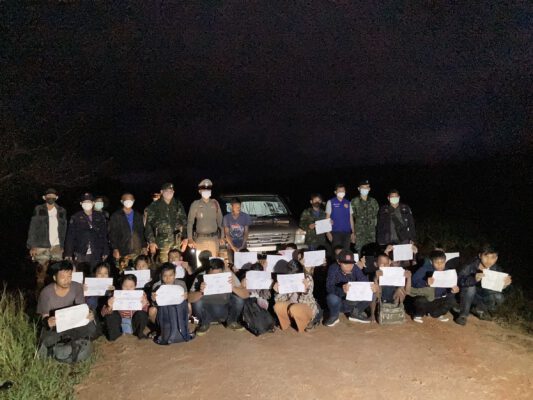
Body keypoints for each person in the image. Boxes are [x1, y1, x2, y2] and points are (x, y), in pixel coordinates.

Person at [37, 261, 97, 358]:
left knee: (91, 327)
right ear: (55, 277)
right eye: (63, 277)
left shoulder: (77, 287)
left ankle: (69, 342)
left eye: (69, 276)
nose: (67, 280)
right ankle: (64, 344)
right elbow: (44, 318)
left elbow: (81, 308)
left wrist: (88, 314)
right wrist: (48, 322)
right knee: (46, 339)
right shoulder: (46, 293)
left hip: (73, 322)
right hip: (56, 325)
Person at [188, 258, 248, 336]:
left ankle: (232, 321)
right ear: (207, 272)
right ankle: (204, 324)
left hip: (225, 312)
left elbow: (245, 295)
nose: (215, 278)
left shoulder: (229, 276)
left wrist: (233, 287)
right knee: (197, 302)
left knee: (239, 299)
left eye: (219, 275)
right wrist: (201, 292)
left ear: (223, 271)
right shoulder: (200, 276)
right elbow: (189, 298)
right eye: (212, 275)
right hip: (207, 313)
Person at [455, 245, 511, 326]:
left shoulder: (496, 269)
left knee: (499, 297)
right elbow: (458, 280)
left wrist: (505, 285)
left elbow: (498, 290)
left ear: (496, 258)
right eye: (486, 256)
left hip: (480, 296)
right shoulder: (470, 264)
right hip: (465, 295)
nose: (489, 260)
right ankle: (463, 315)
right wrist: (473, 279)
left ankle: (478, 309)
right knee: (470, 288)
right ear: (480, 255)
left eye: (493, 257)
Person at [27, 188, 67, 291]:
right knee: (41, 274)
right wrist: (32, 246)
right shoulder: (38, 209)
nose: (51, 198)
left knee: (57, 272)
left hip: (57, 246)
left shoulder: (62, 210)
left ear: (56, 197)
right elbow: (33, 227)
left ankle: (56, 295)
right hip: (41, 246)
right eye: (48, 196)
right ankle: (40, 296)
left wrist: (63, 246)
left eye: (53, 196)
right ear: (44, 197)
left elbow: (64, 229)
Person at [324, 250, 377, 326]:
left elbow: (364, 281)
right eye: (345, 264)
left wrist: (372, 287)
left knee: (372, 293)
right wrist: (342, 290)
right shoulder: (333, 268)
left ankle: (356, 313)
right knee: (331, 297)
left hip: (352, 303)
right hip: (340, 303)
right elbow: (329, 287)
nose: (349, 267)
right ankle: (334, 316)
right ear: (339, 262)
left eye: (351, 264)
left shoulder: (355, 268)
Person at [273, 256, 321, 333]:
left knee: (295, 308)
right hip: (291, 305)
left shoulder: (307, 278)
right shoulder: (285, 279)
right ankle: (287, 323)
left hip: (306, 306)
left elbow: (307, 301)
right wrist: (278, 292)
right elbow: (281, 300)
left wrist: (305, 291)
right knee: (278, 306)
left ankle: (306, 323)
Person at [410, 250, 459, 323]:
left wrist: (453, 291)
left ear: (445, 261)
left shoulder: (448, 272)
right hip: (426, 298)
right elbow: (413, 282)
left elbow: (450, 289)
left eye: (442, 262)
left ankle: (436, 314)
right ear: (431, 262)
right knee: (420, 300)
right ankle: (418, 314)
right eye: (436, 262)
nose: (440, 265)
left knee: (452, 301)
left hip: (439, 299)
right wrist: (425, 282)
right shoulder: (424, 269)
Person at [149, 263, 193, 345]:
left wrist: (186, 297)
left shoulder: (181, 284)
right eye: (165, 276)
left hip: (178, 311)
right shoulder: (157, 286)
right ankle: (159, 329)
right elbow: (155, 305)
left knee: (188, 305)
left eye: (170, 275)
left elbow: (184, 302)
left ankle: (184, 326)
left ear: (175, 275)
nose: (168, 278)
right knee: (152, 310)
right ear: (161, 276)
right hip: (163, 313)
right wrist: (154, 300)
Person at [64, 193, 109, 270]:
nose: (87, 204)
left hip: (96, 251)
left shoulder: (100, 217)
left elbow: (104, 235)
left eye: (89, 202)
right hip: (80, 251)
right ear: (81, 203)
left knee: (95, 272)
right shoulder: (75, 217)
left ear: (93, 203)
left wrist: (105, 251)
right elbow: (70, 236)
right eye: (85, 202)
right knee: (81, 273)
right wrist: (68, 253)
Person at [145, 183, 187, 263]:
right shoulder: (154, 206)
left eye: (171, 191)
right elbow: (149, 225)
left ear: (173, 192)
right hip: (161, 242)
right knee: (163, 265)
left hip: (177, 241)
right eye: (167, 191)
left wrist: (185, 238)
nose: (169, 193)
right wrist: (151, 242)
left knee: (176, 264)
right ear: (161, 192)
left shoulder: (178, 204)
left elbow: (184, 221)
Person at [101, 274, 150, 340]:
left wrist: (143, 305)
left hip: (133, 322)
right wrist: (109, 307)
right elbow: (103, 314)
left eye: (131, 286)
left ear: (135, 286)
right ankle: (115, 337)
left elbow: (146, 313)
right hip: (119, 322)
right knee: (111, 316)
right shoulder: (115, 294)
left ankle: (139, 333)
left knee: (142, 314)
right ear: (121, 285)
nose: (128, 289)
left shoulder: (141, 294)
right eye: (125, 286)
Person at [187, 179, 224, 259]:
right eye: (204, 189)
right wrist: (190, 238)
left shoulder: (215, 203)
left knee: (214, 263)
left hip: (214, 239)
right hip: (200, 240)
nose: (206, 191)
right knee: (201, 263)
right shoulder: (195, 204)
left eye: (208, 189)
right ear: (200, 191)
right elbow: (190, 222)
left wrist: (222, 236)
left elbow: (220, 221)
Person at [109, 193, 147, 260]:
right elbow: (112, 233)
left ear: (133, 201)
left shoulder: (138, 215)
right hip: (122, 251)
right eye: (126, 200)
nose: (128, 202)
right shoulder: (116, 216)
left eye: (130, 200)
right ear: (122, 201)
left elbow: (141, 232)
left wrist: (144, 246)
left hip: (137, 250)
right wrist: (115, 248)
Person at [351, 180, 379, 254]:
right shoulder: (354, 201)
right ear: (359, 188)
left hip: (371, 233)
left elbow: (376, 216)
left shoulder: (374, 201)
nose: (365, 189)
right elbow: (351, 218)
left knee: (371, 252)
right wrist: (352, 233)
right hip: (359, 233)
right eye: (363, 187)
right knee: (359, 252)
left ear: (369, 189)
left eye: (366, 187)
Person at [325, 183, 355, 251]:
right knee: (337, 253)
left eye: (343, 191)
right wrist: (327, 233)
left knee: (346, 252)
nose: (342, 192)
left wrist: (353, 232)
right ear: (335, 192)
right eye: (339, 191)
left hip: (347, 233)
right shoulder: (330, 202)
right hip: (335, 233)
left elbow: (351, 218)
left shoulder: (348, 202)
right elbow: (327, 218)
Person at [223, 197, 252, 265]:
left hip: (242, 243)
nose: (238, 208)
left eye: (239, 207)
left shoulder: (246, 216)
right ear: (231, 207)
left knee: (244, 264)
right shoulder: (226, 218)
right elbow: (227, 234)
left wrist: (242, 245)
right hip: (231, 244)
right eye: (236, 207)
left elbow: (246, 232)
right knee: (232, 264)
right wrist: (233, 247)